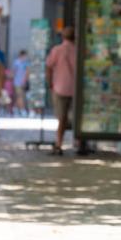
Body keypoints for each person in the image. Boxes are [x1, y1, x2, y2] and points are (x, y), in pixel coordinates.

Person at [45, 26, 76, 155]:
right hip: (76, 88)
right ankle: (78, 142)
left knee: (61, 118)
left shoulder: (57, 50)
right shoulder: (78, 50)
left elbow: (48, 67)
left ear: (63, 37)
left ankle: (59, 143)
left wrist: (50, 83)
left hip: (60, 87)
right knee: (76, 117)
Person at [12, 50, 29, 116]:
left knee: (21, 96)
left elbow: (27, 72)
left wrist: (25, 81)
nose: (26, 57)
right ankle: (22, 110)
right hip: (17, 82)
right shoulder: (16, 62)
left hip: (23, 82)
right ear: (22, 55)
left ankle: (15, 109)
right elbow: (14, 72)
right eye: (25, 55)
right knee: (20, 96)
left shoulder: (26, 63)